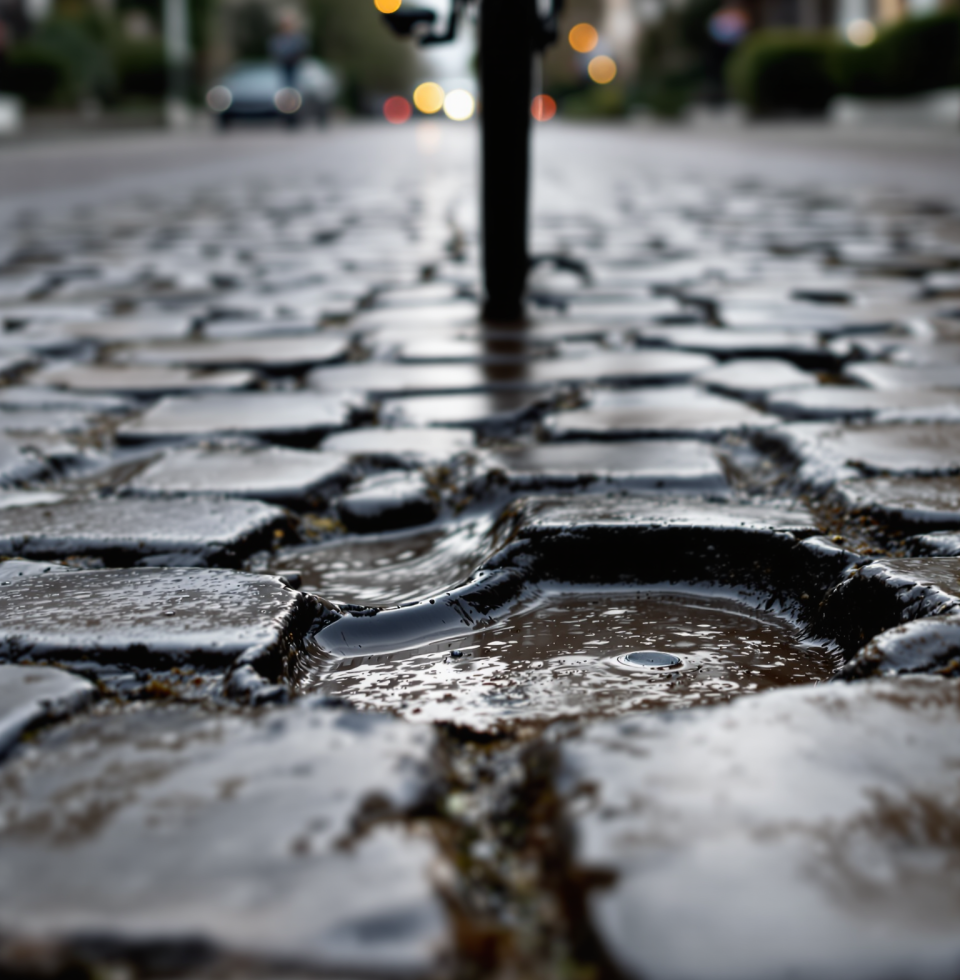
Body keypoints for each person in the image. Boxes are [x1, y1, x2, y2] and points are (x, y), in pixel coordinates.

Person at [269, 8, 309, 89]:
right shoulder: (277, 39)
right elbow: (274, 50)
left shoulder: (298, 38)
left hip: (295, 64)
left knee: (295, 83)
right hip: (283, 64)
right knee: (284, 83)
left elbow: (302, 49)